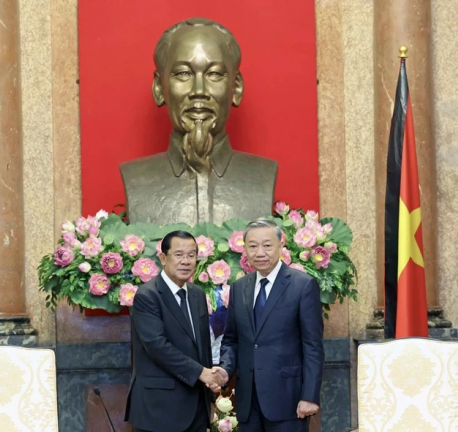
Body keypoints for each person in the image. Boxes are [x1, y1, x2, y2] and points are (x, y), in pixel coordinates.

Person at [120, 17, 277, 226]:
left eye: (214, 74)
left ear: (236, 88)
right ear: (159, 87)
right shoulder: (136, 178)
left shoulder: (262, 175)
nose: (199, 91)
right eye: (183, 74)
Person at [215, 218, 325, 432]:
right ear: (244, 248)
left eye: (267, 245)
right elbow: (232, 339)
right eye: (253, 246)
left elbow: (312, 345)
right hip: (248, 400)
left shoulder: (302, 285)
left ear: (281, 244)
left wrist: (310, 396)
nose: (260, 252)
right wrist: (226, 369)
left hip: (289, 399)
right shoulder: (239, 288)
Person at [124, 230, 223, 432]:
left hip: (196, 407)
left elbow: (201, 347)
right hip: (159, 408)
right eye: (178, 255)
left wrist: (210, 393)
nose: (186, 261)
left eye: (191, 255)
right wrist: (201, 373)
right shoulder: (148, 295)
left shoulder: (197, 295)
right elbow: (157, 346)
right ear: (163, 258)